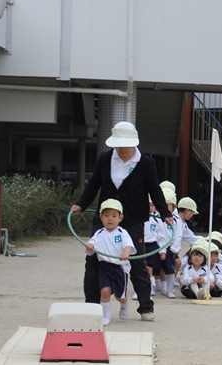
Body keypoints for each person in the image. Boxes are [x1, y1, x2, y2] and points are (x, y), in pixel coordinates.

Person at [71, 121, 173, 322]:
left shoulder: (146, 163)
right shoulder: (105, 158)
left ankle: (146, 307)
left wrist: (164, 213)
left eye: (125, 144)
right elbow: (94, 184)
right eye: (118, 144)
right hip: (105, 217)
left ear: (133, 142)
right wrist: (81, 204)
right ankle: (92, 306)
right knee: (93, 260)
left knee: (136, 262)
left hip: (133, 219)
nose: (122, 148)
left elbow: (155, 189)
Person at [84, 199, 137, 326]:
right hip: (104, 267)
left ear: (120, 218)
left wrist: (126, 253)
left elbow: (128, 245)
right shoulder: (99, 233)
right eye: (106, 215)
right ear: (101, 217)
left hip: (119, 268)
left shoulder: (122, 232)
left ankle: (124, 303)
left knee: (120, 296)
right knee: (104, 291)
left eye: (114, 216)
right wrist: (89, 246)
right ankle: (106, 316)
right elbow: (91, 247)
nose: (110, 219)